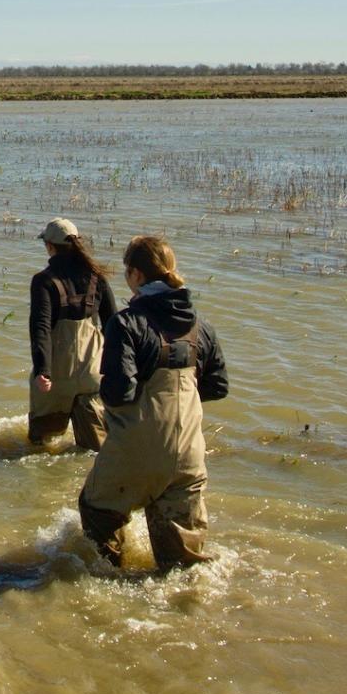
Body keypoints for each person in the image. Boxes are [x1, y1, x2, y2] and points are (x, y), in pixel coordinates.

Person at [78, 235, 228, 570]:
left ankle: (111, 576)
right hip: (189, 453)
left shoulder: (127, 323)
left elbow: (120, 392)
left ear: (136, 275)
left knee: (96, 511)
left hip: (136, 451)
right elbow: (217, 387)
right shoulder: (201, 328)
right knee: (182, 566)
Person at [28, 218, 117, 450]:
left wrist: (42, 370)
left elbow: (41, 328)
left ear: (49, 246)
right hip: (92, 372)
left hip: (56, 375)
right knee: (94, 448)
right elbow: (113, 324)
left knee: (40, 448)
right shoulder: (98, 277)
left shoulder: (43, 281)